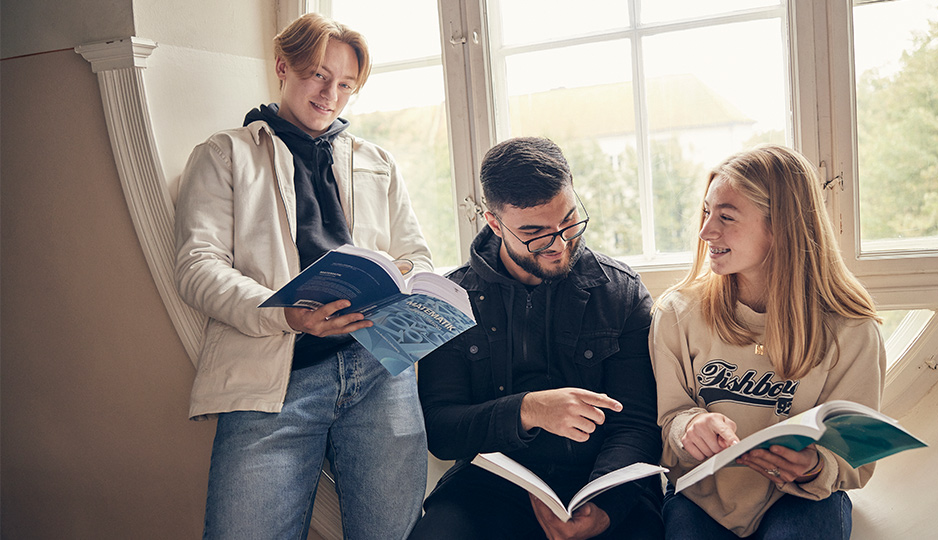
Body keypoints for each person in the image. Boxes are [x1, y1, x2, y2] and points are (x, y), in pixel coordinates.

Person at [174, 13, 430, 540]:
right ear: (282, 66)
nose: (330, 94)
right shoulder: (225, 155)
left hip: (379, 369)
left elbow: (416, 257)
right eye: (318, 75)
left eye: (345, 85)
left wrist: (407, 282)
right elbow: (197, 269)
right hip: (276, 378)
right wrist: (285, 314)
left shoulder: (377, 162)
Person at [409, 137, 664, 540]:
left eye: (568, 221)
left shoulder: (621, 292)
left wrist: (605, 509)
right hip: (491, 486)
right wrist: (527, 411)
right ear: (495, 223)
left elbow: (637, 424)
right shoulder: (449, 299)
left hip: (604, 482)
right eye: (536, 233)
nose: (559, 244)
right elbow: (441, 429)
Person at [651, 144, 886, 539]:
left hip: (804, 499)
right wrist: (690, 426)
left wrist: (814, 464)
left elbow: (854, 457)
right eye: (707, 212)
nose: (706, 230)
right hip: (702, 497)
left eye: (726, 217)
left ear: (781, 228)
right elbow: (668, 420)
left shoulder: (852, 329)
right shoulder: (677, 313)